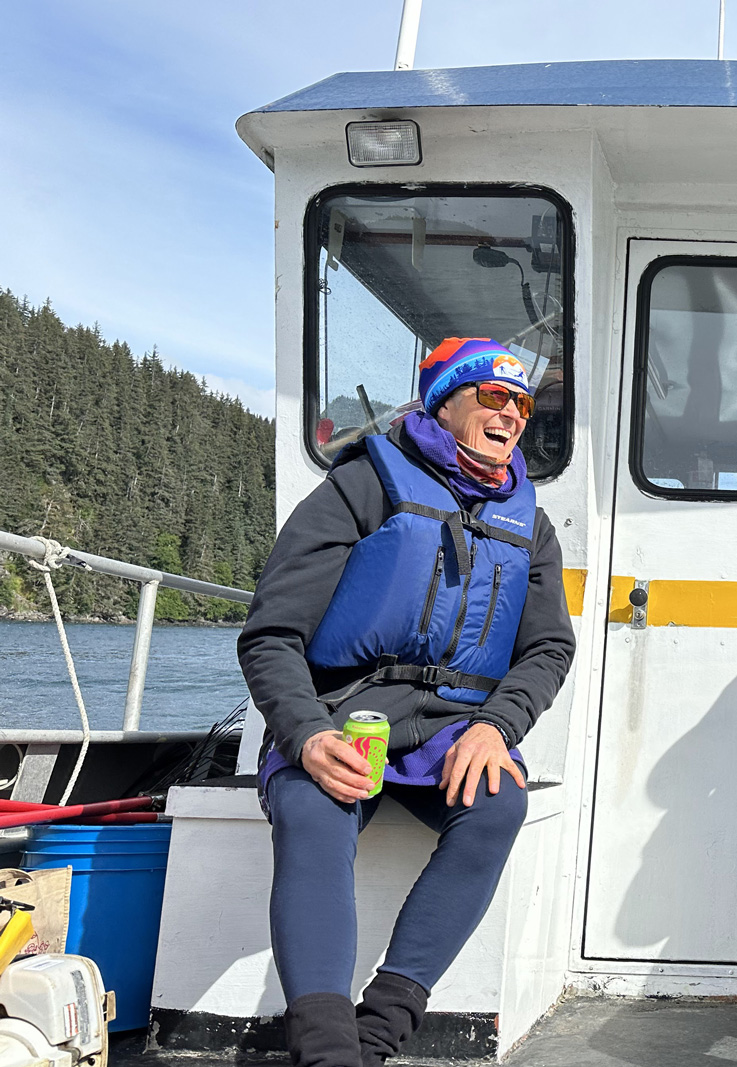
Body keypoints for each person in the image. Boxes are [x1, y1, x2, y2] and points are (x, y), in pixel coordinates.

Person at [237, 337, 576, 1067]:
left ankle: (380, 1031)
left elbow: (550, 648)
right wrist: (303, 734)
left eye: (521, 404)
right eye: (493, 396)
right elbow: (271, 634)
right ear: (444, 400)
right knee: (311, 804)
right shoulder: (362, 484)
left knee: (498, 803)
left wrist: (496, 727)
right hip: (345, 709)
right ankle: (328, 1052)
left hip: (451, 726)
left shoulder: (531, 523)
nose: (512, 414)